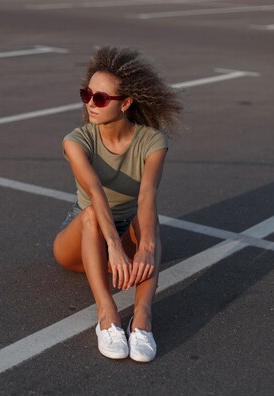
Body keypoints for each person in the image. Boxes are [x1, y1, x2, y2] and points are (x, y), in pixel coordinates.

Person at [53, 46, 182, 362]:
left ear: (125, 103)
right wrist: (114, 248)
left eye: (100, 99)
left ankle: (142, 319)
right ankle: (107, 315)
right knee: (90, 215)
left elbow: (148, 194)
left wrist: (146, 246)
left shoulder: (152, 141)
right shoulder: (76, 141)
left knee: (148, 225)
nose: (90, 104)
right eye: (86, 94)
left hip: (126, 227)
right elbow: (96, 193)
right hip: (83, 231)